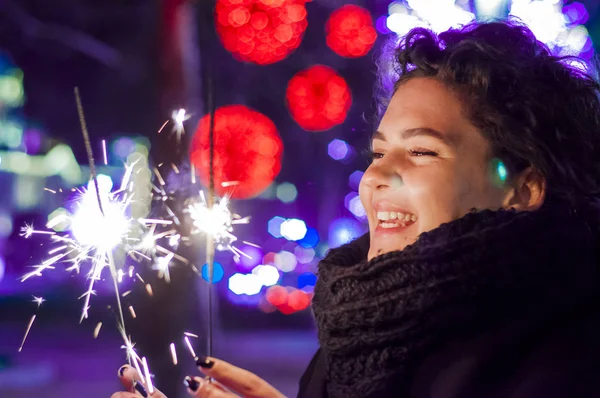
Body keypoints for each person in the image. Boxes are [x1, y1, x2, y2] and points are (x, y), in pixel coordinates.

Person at [111, 19, 600, 398]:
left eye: (422, 151)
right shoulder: (350, 343)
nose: (376, 177)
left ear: (524, 187)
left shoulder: (567, 356)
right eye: (379, 152)